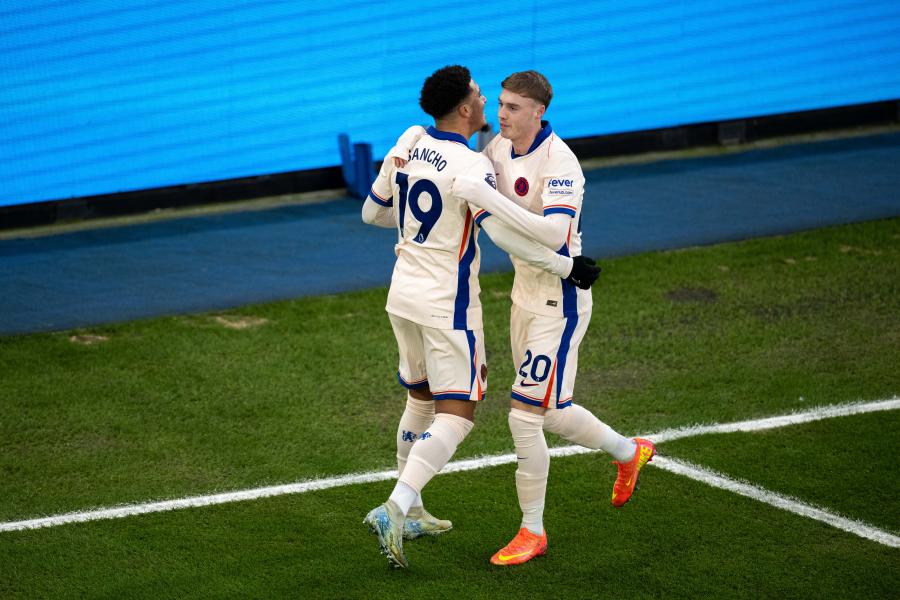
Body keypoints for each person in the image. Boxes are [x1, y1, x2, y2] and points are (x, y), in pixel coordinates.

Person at [360, 65, 601, 569]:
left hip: (401, 292)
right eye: (481, 97)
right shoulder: (472, 166)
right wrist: (565, 266)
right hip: (447, 304)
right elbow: (506, 236)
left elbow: (372, 213)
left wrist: (413, 227)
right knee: (458, 413)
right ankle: (397, 506)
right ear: (466, 108)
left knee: (419, 398)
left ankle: (416, 509)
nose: (489, 103)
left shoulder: (408, 137)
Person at [449, 70, 657, 566]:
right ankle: (630, 453)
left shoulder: (561, 163)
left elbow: (551, 232)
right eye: (500, 103)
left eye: (514, 107)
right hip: (523, 296)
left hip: (559, 303)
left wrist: (487, 200)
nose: (502, 114)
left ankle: (532, 531)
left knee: (523, 416)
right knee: (554, 410)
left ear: (539, 111)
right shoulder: (496, 148)